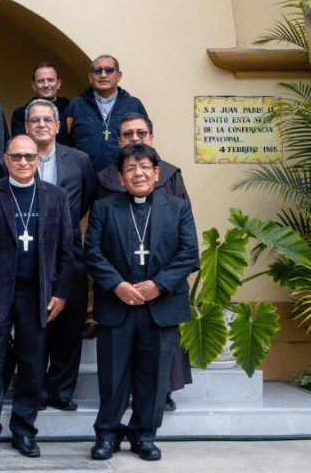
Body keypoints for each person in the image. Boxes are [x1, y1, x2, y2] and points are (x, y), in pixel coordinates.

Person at [0, 135, 76, 461]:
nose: (23, 162)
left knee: (32, 365)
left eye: (29, 156)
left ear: (38, 159)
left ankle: (24, 432)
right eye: (17, 156)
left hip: (36, 293)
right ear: (6, 159)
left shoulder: (56, 197)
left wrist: (60, 293)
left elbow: (66, 252)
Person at [85, 143, 198, 462]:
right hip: (117, 307)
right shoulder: (105, 208)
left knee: (154, 378)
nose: (138, 173)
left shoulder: (177, 207)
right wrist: (117, 284)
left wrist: (157, 285)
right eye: (130, 168)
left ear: (157, 172)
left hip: (159, 309)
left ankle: (144, 436)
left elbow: (188, 253)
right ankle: (107, 435)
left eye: (145, 166)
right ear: (120, 177)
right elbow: (92, 251)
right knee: (112, 376)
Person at [94, 112, 191, 410]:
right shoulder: (106, 180)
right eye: (127, 134)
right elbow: (97, 243)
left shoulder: (169, 175)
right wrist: (117, 283)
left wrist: (160, 283)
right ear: (118, 140)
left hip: (160, 287)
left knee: (160, 354)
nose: (134, 139)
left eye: (141, 133)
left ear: (150, 136)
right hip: (120, 289)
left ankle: (164, 391)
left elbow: (186, 243)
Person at [22, 100, 96, 412]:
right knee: (34, 330)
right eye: (34, 120)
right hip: (28, 257)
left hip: (70, 255)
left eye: (47, 119)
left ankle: (62, 390)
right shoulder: (16, 159)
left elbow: (88, 196)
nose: (41, 124)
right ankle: (36, 391)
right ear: (26, 127)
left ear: (56, 125)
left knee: (68, 328)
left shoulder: (78, 160)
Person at [66, 55, 147, 172]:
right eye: (98, 71)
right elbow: (65, 142)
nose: (103, 75)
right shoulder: (75, 106)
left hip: (123, 178)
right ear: (90, 77)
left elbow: (144, 142)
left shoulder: (134, 105)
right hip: (84, 178)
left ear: (118, 76)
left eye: (109, 70)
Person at [11, 62, 71, 146]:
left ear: (58, 84)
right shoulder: (21, 114)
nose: (46, 85)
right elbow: (20, 145)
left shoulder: (71, 110)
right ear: (34, 86)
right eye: (41, 81)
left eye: (50, 80)